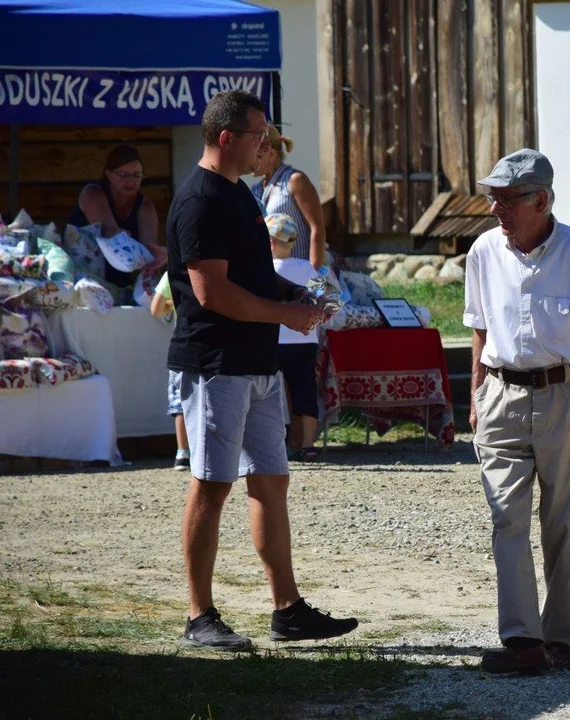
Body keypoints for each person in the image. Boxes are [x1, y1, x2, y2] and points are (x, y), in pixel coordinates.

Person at [167, 89, 357, 650]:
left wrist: (303, 295)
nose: (266, 145)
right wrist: (288, 313)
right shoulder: (200, 199)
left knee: (271, 481)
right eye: (259, 135)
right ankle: (199, 616)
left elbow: (256, 274)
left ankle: (287, 610)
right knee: (211, 486)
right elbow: (212, 293)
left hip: (256, 363)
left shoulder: (240, 195)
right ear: (227, 137)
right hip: (216, 363)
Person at [463, 149, 570, 674]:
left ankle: (560, 638)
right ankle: (522, 643)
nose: (496, 209)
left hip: (569, 395)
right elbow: (480, 329)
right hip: (500, 395)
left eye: (508, 199)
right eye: (493, 198)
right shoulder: (484, 251)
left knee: (565, 522)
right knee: (505, 518)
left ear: (541, 200)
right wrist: (475, 394)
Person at [266, 213, 321, 461]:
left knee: (271, 394)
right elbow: (331, 301)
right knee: (305, 390)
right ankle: (307, 444)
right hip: (306, 341)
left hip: (274, 340)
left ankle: (279, 442)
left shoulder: (266, 271)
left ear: (270, 242)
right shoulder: (306, 267)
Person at [69, 143, 162, 287]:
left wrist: (161, 256)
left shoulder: (145, 207)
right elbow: (110, 232)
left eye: (136, 175)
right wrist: (124, 238)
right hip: (82, 277)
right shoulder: (92, 194)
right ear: (109, 175)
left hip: (120, 278)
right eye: (123, 174)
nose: (130, 180)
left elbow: (150, 252)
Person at [250, 126, 328, 269]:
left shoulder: (295, 181)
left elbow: (317, 229)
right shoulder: (255, 190)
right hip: (278, 275)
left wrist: (313, 274)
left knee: (322, 291)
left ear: (272, 155)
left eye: (257, 155)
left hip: (304, 270)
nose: (250, 160)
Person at [149, 272, 189, 471]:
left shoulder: (172, 272)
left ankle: (182, 452)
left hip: (183, 342)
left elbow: (155, 309)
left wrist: (171, 306)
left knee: (180, 398)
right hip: (215, 343)